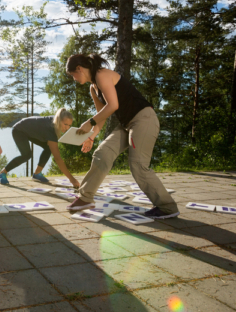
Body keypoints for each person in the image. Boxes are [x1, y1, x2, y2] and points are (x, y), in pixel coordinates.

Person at [65, 53, 179, 219]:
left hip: (143, 119)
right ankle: (85, 198)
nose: (73, 79)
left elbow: (113, 105)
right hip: (126, 125)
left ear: (79, 69)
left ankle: (167, 207)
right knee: (102, 154)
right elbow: (101, 116)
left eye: (72, 75)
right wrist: (91, 137)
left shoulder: (102, 74)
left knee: (138, 164)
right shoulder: (93, 88)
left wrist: (89, 123)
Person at [0, 109, 80, 187]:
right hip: (19, 130)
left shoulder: (56, 122)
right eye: (65, 124)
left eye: (69, 125)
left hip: (29, 130)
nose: (67, 128)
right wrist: (72, 179)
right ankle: (2, 173)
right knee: (26, 155)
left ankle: (37, 174)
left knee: (48, 148)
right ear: (59, 120)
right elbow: (58, 158)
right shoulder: (51, 129)